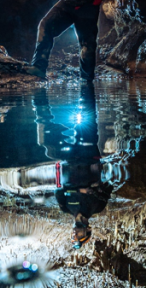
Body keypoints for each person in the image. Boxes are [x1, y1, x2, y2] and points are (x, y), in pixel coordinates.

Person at [34, 85, 112, 249]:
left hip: (67, 159)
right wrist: (90, 190)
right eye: (80, 236)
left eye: (74, 235)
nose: (75, 233)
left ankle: (39, 95)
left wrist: (77, 191)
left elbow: (59, 189)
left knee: (45, 138)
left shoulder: (64, 207)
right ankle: (86, 86)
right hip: (89, 155)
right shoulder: (97, 207)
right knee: (87, 119)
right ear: (87, 230)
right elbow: (108, 186)